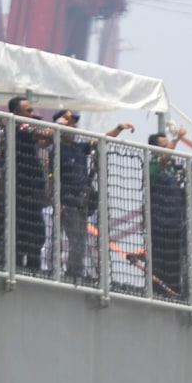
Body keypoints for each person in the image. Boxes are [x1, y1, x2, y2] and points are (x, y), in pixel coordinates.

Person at [52, 109, 134, 281]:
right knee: (77, 239)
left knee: (80, 239)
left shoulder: (79, 148)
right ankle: (73, 272)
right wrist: (58, 202)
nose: (73, 124)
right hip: (68, 202)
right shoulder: (57, 150)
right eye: (69, 121)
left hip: (81, 202)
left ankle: (76, 270)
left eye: (74, 121)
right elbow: (53, 178)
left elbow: (100, 141)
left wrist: (118, 128)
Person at [8, 96, 52, 271]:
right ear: (17, 112)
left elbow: (43, 141)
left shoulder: (24, 128)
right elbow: (41, 135)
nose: (32, 114)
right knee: (24, 232)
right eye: (28, 111)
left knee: (37, 234)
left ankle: (33, 268)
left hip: (32, 192)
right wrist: (55, 127)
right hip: (22, 191)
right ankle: (20, 267)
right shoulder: (18, 126)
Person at [147, 126, 187, 296]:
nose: (167, 149)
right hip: (158, 222)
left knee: (174, 260)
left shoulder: (174, 170)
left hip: (175, 222)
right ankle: (157, 291)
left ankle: (174, 291)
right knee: (159, 260)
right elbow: (163, 159)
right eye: (162, 146)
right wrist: (176, 138)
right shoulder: (153, 167)